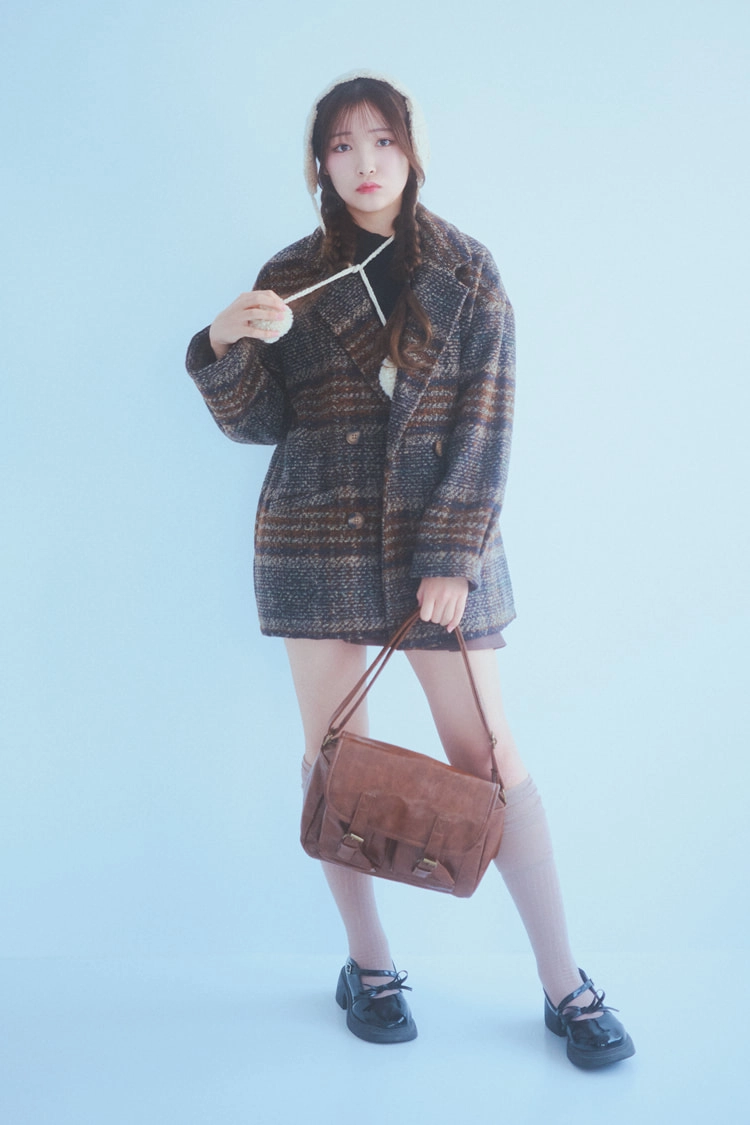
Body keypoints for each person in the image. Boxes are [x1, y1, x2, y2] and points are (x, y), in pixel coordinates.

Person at [185, 70, 634, 1069]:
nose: (364, 162)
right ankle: (371, 965)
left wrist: (452, 558)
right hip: (316, 538)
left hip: (439, 546)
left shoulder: (466, 270)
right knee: (335, 761)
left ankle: (563, 981)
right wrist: (221, 344)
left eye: (381, 139)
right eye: (341, 145)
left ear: (412, 149)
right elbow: (263, 422)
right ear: (318, 162)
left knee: (492, 763)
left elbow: (487, 423)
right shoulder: (291, 272)